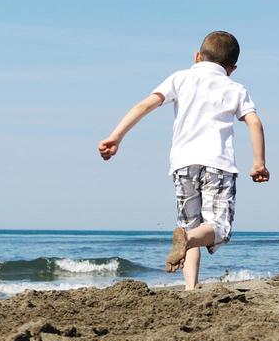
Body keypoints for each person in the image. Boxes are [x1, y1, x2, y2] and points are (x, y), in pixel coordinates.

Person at [98, 30, 269, 291]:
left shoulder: (180, 78)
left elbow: (145, 105)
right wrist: (259, 162)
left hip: (183, 165)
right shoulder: (234, 88)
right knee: (218, 229)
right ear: (232, 68)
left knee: (189, 225)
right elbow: (254, 122)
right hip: (218, 164)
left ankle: (190, 287)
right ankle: (187, 240)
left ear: (197, 56)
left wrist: (116, 136)